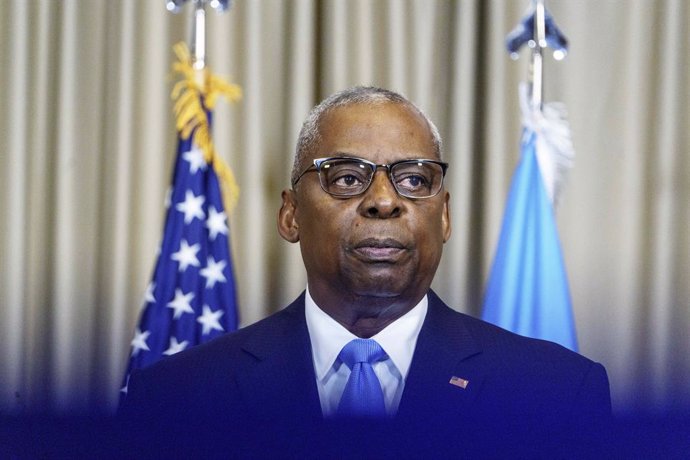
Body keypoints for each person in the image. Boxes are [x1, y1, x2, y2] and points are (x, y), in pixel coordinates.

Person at [120, 86, 611, 456]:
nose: (382, 201)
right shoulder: (176, 398)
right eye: (347, 178)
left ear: (444, 217)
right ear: (290, 215)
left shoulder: (557, 394)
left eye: (415, 179)